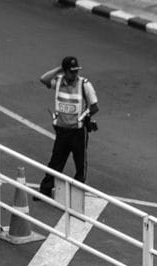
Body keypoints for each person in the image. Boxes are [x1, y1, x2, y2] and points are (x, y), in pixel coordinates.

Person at [37, 55, 98, 198]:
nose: (75, 74)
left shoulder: (84, 84)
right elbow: (43, 79)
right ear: (65, 71)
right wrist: (59, 69)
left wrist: (85, 117)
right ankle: (45, 190)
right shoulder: (58, 82)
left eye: (76, 71)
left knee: (80, 165)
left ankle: (76, 194)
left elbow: (95, 106)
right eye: (71, 71)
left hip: (78, 132)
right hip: (62, 131)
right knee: (55, 162)